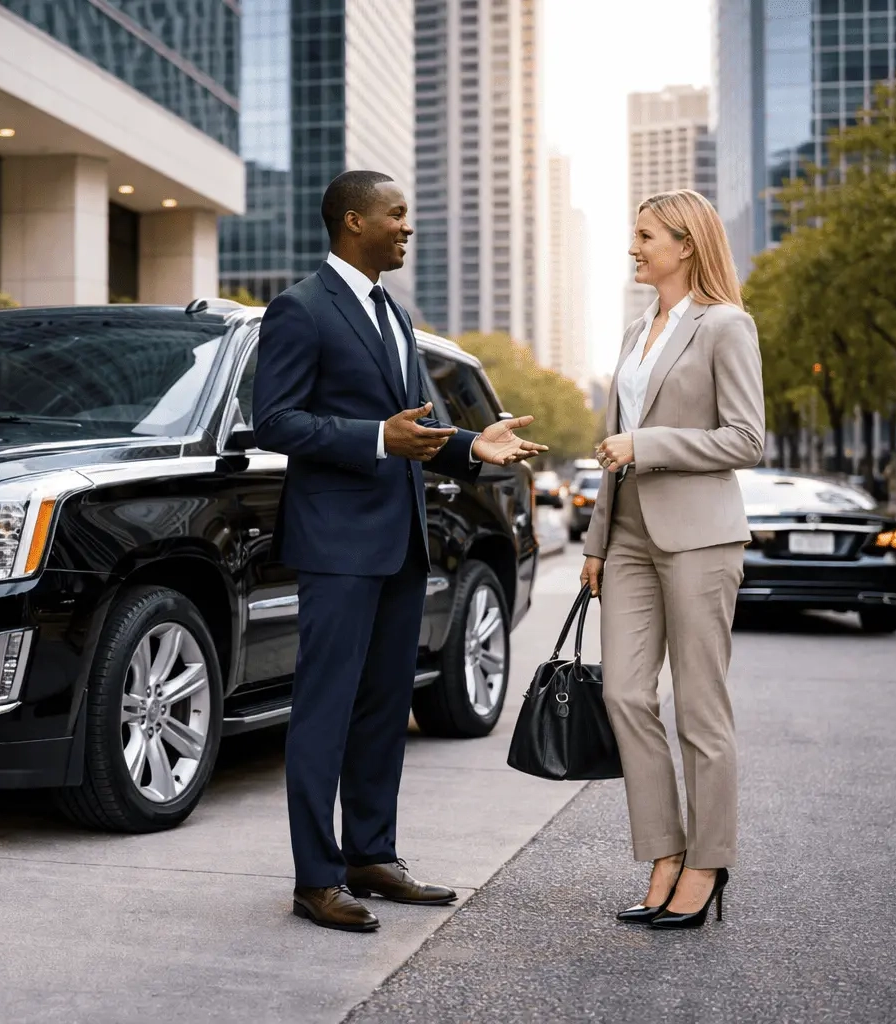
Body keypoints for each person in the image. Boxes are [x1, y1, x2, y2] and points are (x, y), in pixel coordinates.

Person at [254, 170, 546, 932]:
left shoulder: (394, 311)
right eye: (397, 214)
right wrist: (374, 438)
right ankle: (316, 879)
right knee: (324, 712)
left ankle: (371, 856)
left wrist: (472, 446)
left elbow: (412, 428)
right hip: (336, 545)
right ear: (355, 221)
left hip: (401, 541)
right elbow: (274, 420)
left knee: (385, 708)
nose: (407, 226)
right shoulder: (299, 308)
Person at [580, 189, 764, 930]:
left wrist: (648, 445)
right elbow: (611, 451)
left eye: (646, 235)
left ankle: (707, 863)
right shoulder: (635, 332)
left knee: (698, 706)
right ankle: (664, 851)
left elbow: (746, 438)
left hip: (699, 538)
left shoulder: (726, 325)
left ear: (686, 245)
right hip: (627, 536)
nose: (634, 246)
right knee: (625, 694)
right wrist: (596, 543)